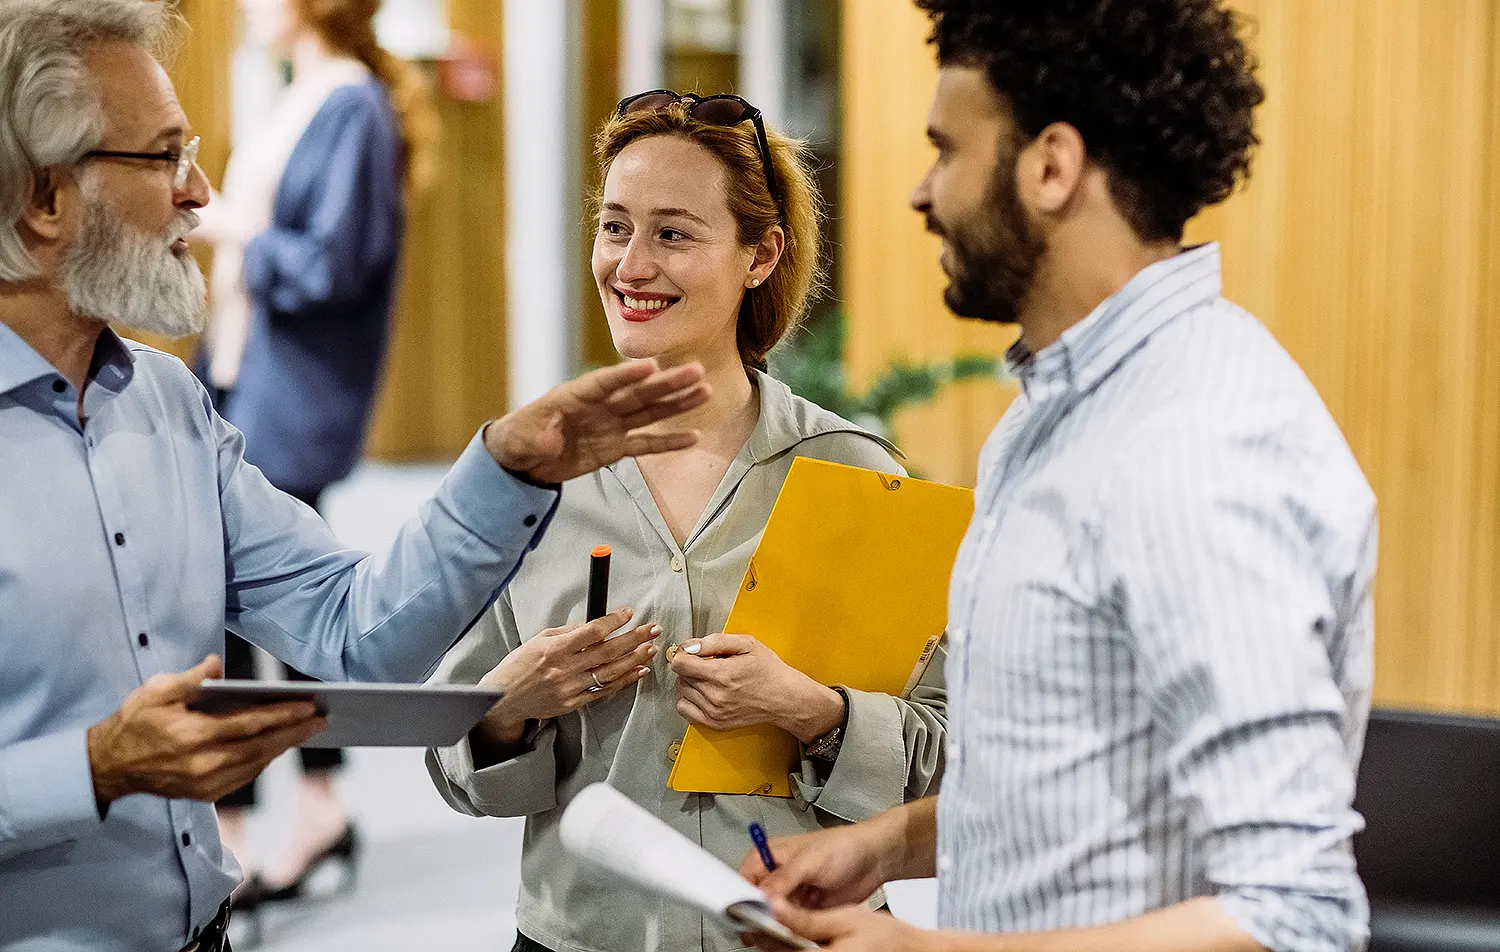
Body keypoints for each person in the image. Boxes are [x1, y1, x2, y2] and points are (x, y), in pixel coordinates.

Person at [0, 2, 710, 949]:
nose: (200, 191)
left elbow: (351, 635)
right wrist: (92, 768)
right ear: (45, 198)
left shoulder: (169, 406)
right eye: (163, 157)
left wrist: (506, 468)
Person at [740, 2, 1376, 952]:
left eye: (946, 150)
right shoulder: (1054, 416)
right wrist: (883, 847)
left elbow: (1295, 911)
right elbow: (1062, 782)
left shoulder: (1196, 448)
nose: (924, 192)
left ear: (1050, 166)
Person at [425, 90, 948, 952]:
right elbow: (457, 767)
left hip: (790, 933)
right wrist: (504, 710)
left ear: (760, 255)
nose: (630, 264)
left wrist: (814, 711)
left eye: (673, 233)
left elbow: (945, 760)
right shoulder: (530, 478)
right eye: (615, 225)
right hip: (579, 937)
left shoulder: (858, 476)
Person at [188, 0, 437, 907]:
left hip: (290, 390)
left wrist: (227, 232)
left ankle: (269, 818)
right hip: (247, 373)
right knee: (257, 599)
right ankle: (291, 812)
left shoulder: (350, 107)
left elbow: (332, 265)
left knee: (263, 596)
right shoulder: (307, 98)